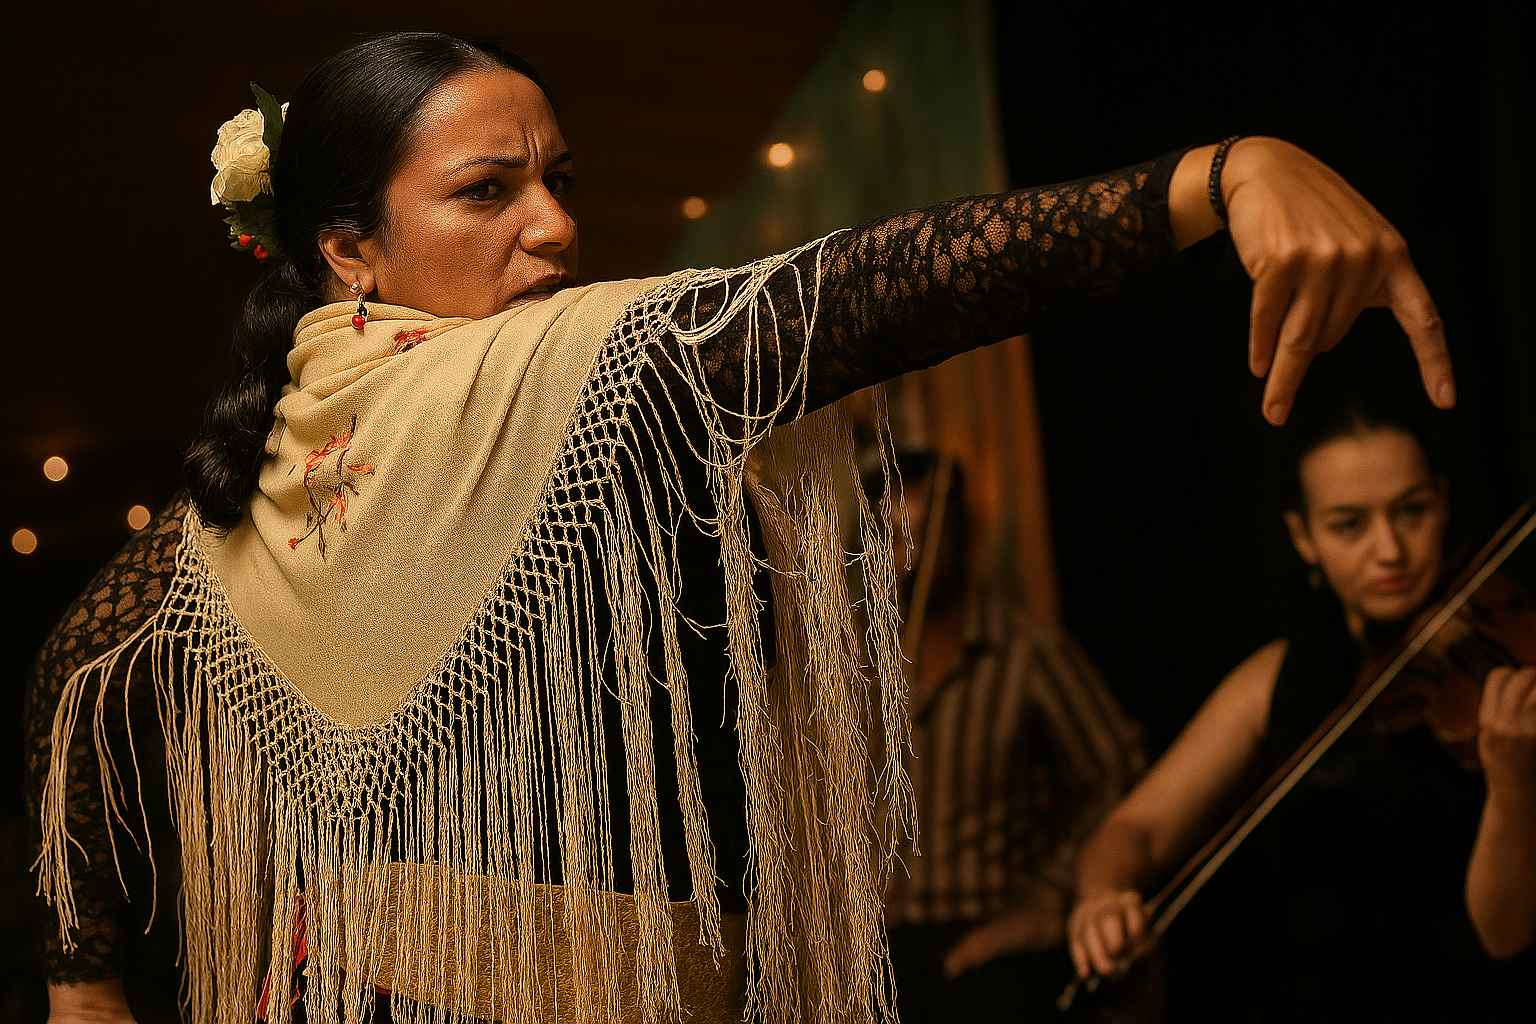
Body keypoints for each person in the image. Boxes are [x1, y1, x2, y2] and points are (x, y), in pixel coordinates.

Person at [25, 29, 1457, 1024]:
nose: (556, 229)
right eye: (488, 191)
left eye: (558, 182)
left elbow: (70, 669)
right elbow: (858, 290)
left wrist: (82, 978)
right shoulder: (381, 438)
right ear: (348, 250)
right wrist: (1208, 181)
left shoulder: (491, 412)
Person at [1068, 368, 1536, 1021]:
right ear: (1303, 537)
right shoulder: (1276, 679)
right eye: (1349, 525)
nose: (1390, 549)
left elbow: (1506, 936)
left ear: (1444, 501)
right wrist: (1103, 893)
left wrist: (1514, 783)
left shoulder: (1513, 665)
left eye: (1411, 511)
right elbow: (1136, 830)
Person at [877, 450, 1147, 1021]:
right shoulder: (857, 669)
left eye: (927, 533)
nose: (910, 553)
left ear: (961, 536)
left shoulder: (1027, 652)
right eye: (894, 535)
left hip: (994, 947)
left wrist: (1048, 902)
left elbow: (1120, 776)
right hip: (885, 955)